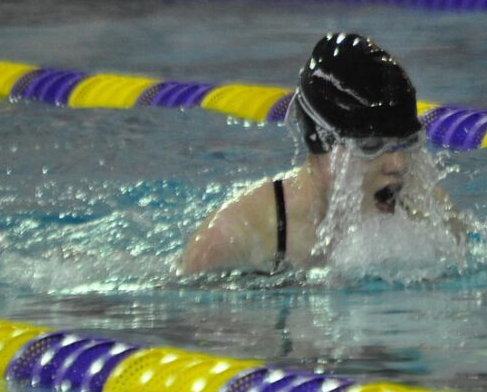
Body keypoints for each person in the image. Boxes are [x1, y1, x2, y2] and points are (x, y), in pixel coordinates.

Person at [180, 33, 463, 276]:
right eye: (371, 145)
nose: (397, 164)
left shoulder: (428, 210)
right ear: (322, 143)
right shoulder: (232, 239)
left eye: (406, 142)